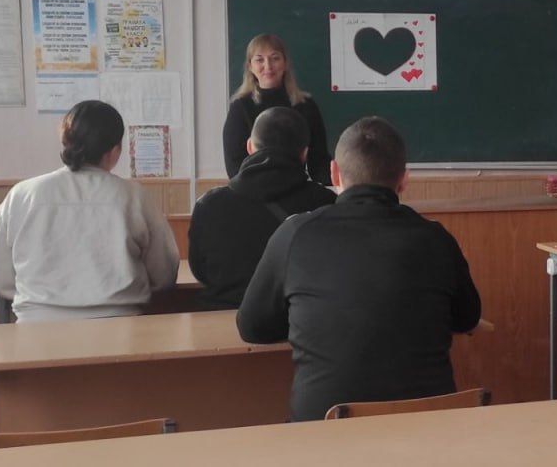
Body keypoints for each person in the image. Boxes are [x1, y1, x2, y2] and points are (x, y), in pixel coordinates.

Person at [237, 117, 482, 421]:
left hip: (326, 433)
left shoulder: (294, 235)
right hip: (429, 429)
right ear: (404, 179)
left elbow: (252, 327)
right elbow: (468, 318)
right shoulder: (437, 239)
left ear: (334, 173)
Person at [0, 100, 179, 323]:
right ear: (115, 151)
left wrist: (37, 297)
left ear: (65, 142)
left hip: (37, 327)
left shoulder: (22, 194)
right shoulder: (134, 196)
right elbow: (164, 274)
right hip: (121, 326)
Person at [189, 108, 335, 309]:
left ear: (250, 146)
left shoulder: (209, 205)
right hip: (297, 319)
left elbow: (200, 271)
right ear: (304, 154)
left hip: (222, 315)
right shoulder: (326, 204)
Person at [223, 34, 331, 184]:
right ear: (250, 66)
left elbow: (319, 163)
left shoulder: (306, 105)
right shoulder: (240, 107)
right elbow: (234, 166)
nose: (268, 66)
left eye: (275, 58)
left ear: (285, 63)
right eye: (259, 60)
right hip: (255, 190)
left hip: (296, 188)